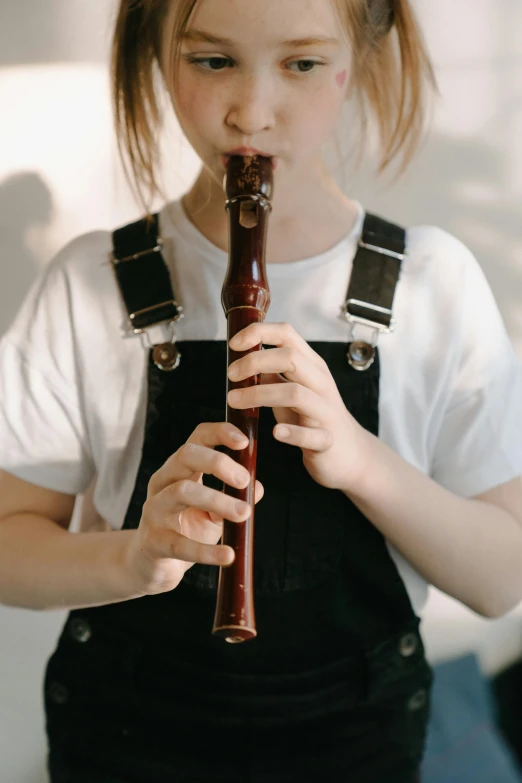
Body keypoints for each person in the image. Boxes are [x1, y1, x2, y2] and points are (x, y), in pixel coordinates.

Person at [1, 1, 522, 781]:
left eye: (302, 64)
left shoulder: (433, 285)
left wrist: (361, 461)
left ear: (358, 60)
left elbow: (500, 578)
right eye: (213, 61)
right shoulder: (90, 283)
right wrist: (135, 556)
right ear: (158, 55)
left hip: (356, 742)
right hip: (128, 737)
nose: (251, 112)